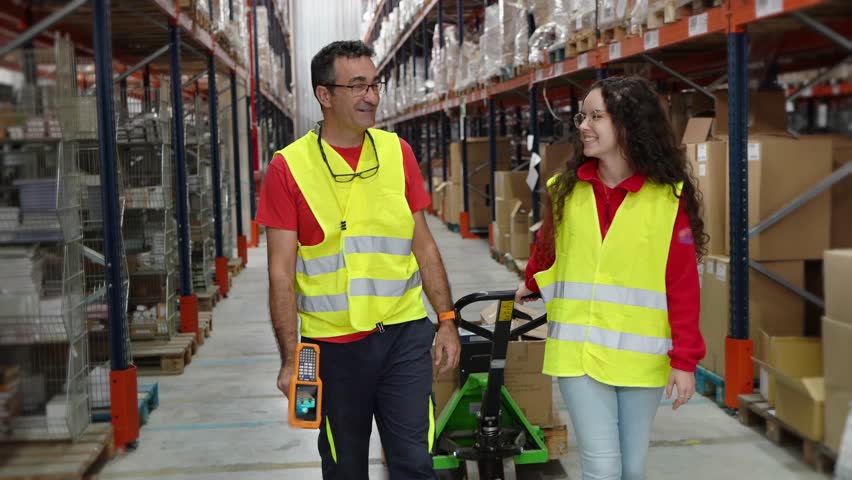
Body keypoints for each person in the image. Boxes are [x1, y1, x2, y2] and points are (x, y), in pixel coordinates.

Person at [256, 40, 460, 480]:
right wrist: (292, 358)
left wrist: (446, 319)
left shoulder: (396, 153)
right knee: (344, 467)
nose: (371, 96)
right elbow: (280, 275)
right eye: (358, 86)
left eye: (375, 84)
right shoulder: (287, 168)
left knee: (415, 463)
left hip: (404, 336)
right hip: (332, 350)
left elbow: (423, 244)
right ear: (324, 95)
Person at [515, 76, 707, 480]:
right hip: (578, 353)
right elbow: (548, 249)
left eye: (596, 116)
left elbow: (682, 283)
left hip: (641, 357)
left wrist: (685, 360)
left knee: (632, 469)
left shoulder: (668, 199)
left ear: (628, 124)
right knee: (602, 468)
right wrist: (532, 281)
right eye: (583, 116)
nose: (584, 125)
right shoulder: (565, 190)